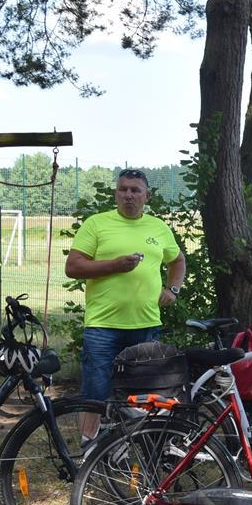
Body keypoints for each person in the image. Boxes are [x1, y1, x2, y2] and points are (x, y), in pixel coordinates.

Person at [65, 169, 185, 435]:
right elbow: (73, 267)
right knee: (95, 393)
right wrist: (114, 266)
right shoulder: (97, 223)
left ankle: (135, 445)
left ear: (147, 196)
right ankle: (88, 450)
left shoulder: (158, 227)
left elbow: (177, 260)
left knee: (144, 395)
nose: (128, 195)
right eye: (123, 189)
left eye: (135, 190)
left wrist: (173, 289)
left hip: (145, 325)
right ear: (116, 193)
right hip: (102, 327)